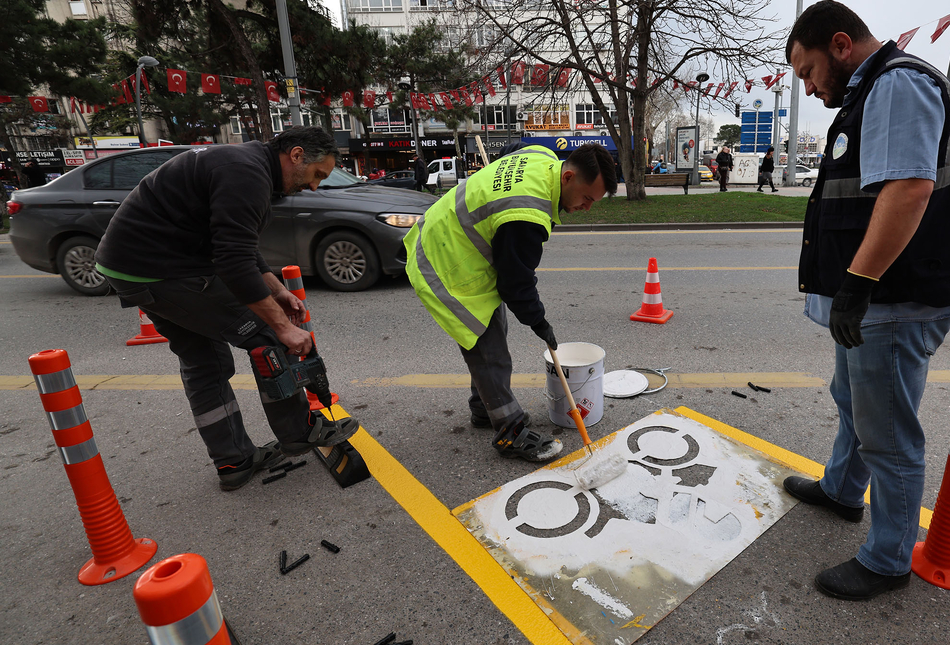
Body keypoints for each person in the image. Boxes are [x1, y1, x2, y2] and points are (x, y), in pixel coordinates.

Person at [783, 0, 950, 600]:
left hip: (891, 299)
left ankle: (889, 559)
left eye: (808, 71)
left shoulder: (897, 84)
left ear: (840, 45)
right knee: (854, 403)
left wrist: (859, 285)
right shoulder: (870, 94)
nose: (808, 89)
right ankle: (841, 490)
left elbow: (909, 189)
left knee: (887, 434)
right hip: (873, 299)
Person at [94, 127, 360, 491]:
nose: (314, 186)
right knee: (266, 336)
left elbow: (237, 243)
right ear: (296, 155)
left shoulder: (245, 165)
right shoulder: (247, 173)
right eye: (317, 175)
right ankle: (300, 431)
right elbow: (232, 261)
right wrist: (282, 326)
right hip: (163, 271)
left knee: (205, 362)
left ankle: (234, 460)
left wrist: (277, 289)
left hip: (135, 268)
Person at [404, 143, 617, 462]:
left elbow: (512, 150)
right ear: (568, 176)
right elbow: (516, 285)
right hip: (444, 260)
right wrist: (540, 323)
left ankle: (483, 408)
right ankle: (510, 431)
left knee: (495, 332)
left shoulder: (543, 157)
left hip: (456, 238)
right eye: (587, 198)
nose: (587, 207)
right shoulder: (526, 215)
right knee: (488, 348)